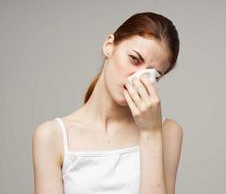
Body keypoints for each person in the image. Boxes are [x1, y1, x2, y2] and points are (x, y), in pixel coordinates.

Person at [32, 11, 183, 194]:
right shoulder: (52, 136)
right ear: (109, 45)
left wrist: (150, 133)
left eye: (152, 75)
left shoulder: (167, 132)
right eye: (134, 59)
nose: (137, 79)